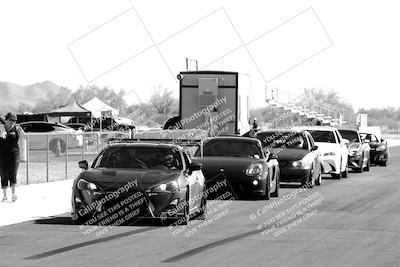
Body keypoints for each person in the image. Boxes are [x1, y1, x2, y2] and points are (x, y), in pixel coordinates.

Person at [0, 113, 24, 202]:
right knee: (3, 174)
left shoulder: (16, 128)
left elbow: (24, 138)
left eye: (15, 120)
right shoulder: (1, 127)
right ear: (6, 120)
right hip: (2, 155)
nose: (13, 122)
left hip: (14, 154)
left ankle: (14, 194)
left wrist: (21, 133)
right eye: (11, 120)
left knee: (13, 174)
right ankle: (5, 195)